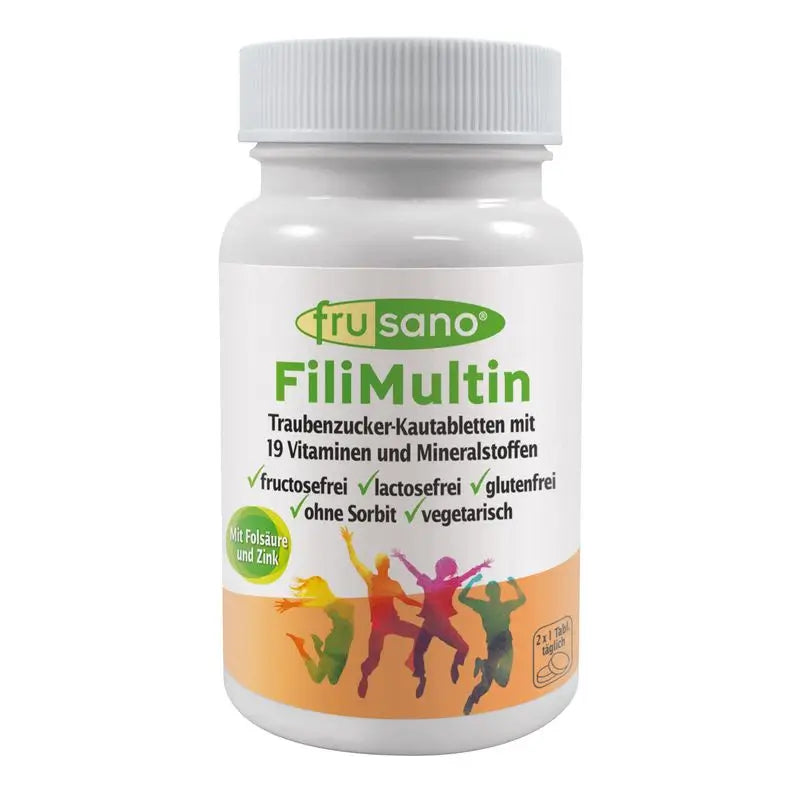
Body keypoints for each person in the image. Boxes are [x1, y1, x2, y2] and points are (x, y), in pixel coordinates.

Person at [391, 549, 492, 698]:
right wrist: (402, 559)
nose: (438, 568)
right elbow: (413, 571)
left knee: (463, 647)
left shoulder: (449, 583)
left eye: (442, 566)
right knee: (418, 652)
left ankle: (454, 665)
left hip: (441, 625)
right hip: (429, 625)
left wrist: (480, 566)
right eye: (438, 565)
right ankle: (422, 678)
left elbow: (466, 576)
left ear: (446, 571)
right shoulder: (428, 581)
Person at [340, 527, 421, 697]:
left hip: (387, 623)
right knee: (374, 658)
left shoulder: (383, 582)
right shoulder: (376, 580)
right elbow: (355, 562)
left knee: (418, 635)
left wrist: (422, 605)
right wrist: (348, 543)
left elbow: (406, 600)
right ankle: (366, 675)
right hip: (383, 625)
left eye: (385, 563)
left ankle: (410, 661)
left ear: (383, 566)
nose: (385, 565)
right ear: (384, 566)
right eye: (384, 563)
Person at [459, 574, 526, 715]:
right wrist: (515, 585)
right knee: (493, 681)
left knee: (500, 681)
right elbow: (522, 599)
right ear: (498, 593)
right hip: (501, 643)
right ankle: (472, 699)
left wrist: (472, 581)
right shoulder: (500, 606)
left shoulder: (485, 606)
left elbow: (462, 598)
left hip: (501, 643)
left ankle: (483, 665)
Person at [275, 575, 354, 685]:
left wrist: (293, 604)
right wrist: (292, 604)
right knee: (329, 679)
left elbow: (315, 602)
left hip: (337, 641)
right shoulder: (331, 602)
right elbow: (314, 602)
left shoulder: (333, 602)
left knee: (327, 679)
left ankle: (307, 646)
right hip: (337, 641)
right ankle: (307, 646)